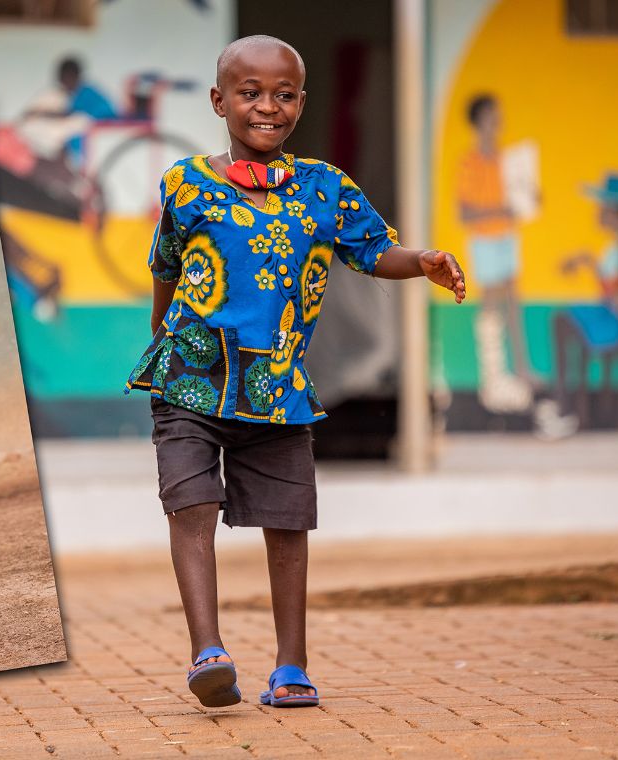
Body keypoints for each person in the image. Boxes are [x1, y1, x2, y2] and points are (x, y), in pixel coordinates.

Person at [123, 36, 466, 709]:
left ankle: (291, 666)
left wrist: (421, 259)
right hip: (191, 378)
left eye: (283, 94)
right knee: (190, 505)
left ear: (302, 103)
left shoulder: (324, 188)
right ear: (220, 100)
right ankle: (207, 651)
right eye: (250, 93)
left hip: (278, 389)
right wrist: (160, 332)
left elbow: (373, 252)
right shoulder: (186, 183)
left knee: (289, 523)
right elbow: (164, 269)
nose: (267, 107)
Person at [544, 173, 618, 437]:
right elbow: (611, 290)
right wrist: (589, 262)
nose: (598, 214)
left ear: (613, 211)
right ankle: (565, 406)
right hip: (613, 314)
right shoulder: (614, 247)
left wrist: (591, 264)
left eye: (601, 208)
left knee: (563, 323)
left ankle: (565, 408)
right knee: (562, 320)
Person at [458, 94, 534, 413]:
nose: (496, 121)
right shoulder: (470, 163)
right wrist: (500, 210)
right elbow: (466, 214)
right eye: (491, 116)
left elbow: (523, 203)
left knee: (513, 303)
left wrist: (530, 198)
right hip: (486, 241)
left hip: (506, 237)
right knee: (491, 306)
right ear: (478, 123)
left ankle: (522, 371)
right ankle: (493, 378)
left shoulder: (508, 160)